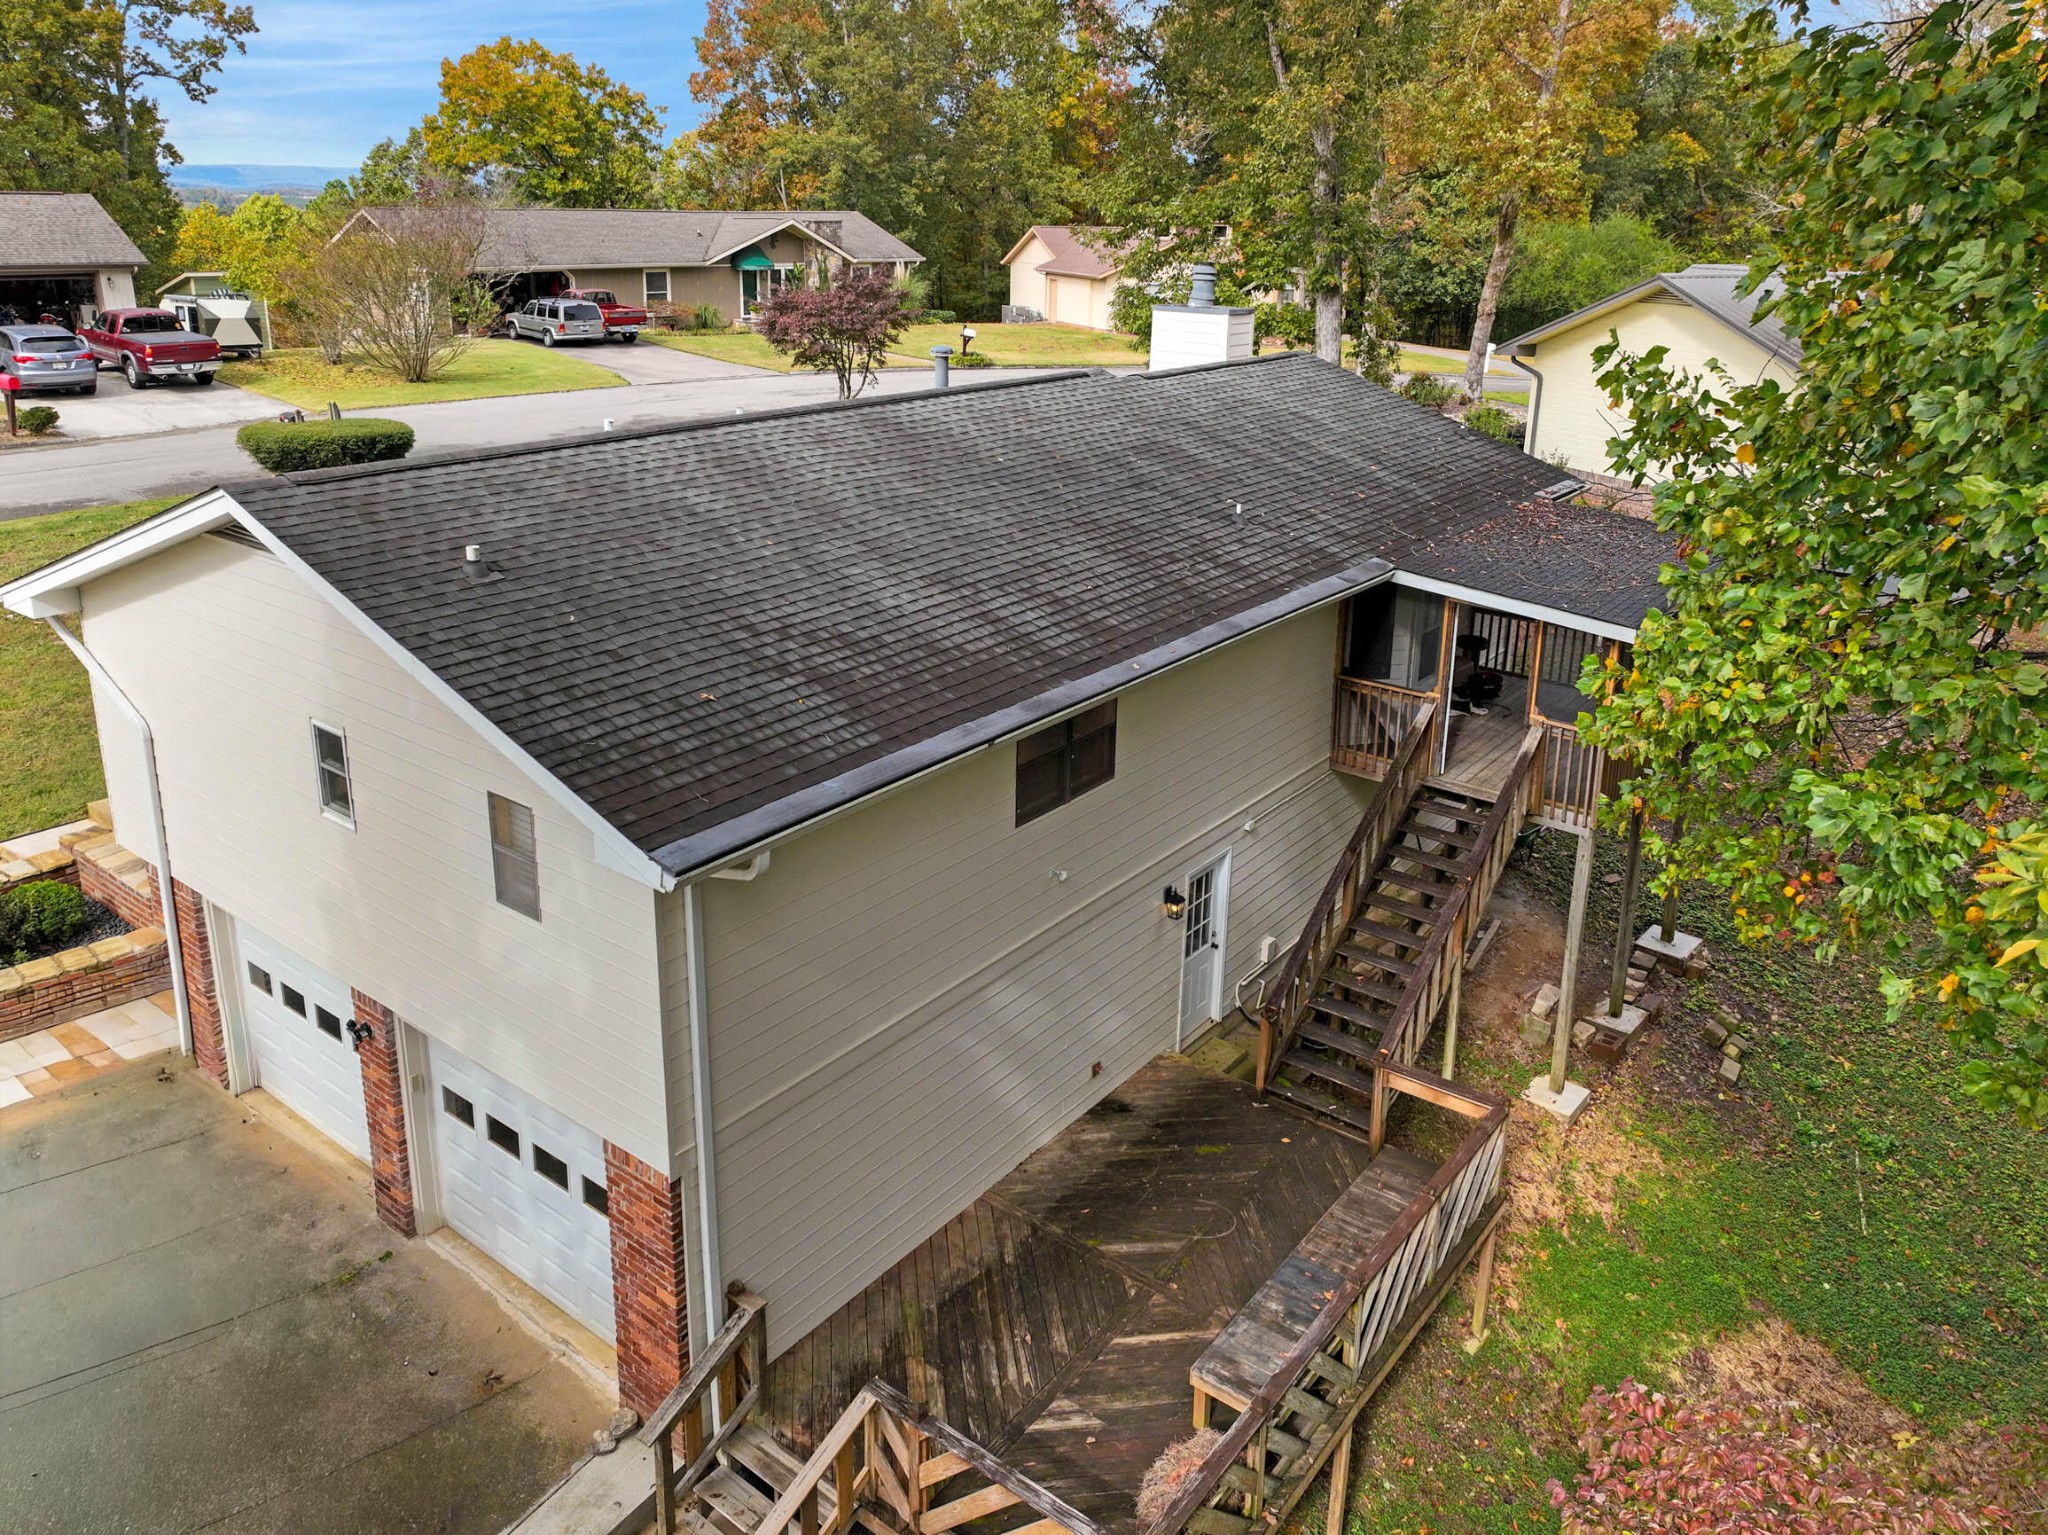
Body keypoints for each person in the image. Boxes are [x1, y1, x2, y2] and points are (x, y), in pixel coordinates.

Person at [1451, 633, 1503, 715]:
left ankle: (1474, 703)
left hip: (1463, 686)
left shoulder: (1467, 666)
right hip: (1462, 687)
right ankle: (1473, 703)